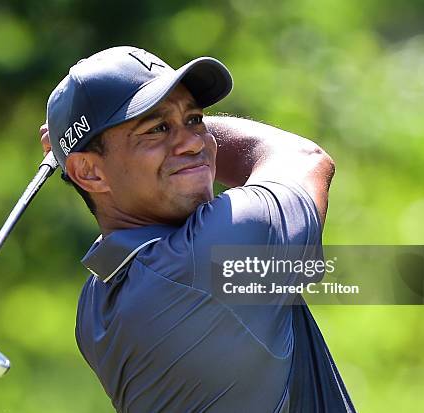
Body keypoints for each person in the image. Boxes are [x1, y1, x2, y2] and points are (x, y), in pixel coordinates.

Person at [40, 46, 355, 412]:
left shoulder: (97, 302)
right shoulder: (217, 253)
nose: (194, 142)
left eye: (195, 120)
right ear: (90, 173)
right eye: (156, 129)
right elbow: (304, 158)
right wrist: (76, 150)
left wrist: (79, 149)